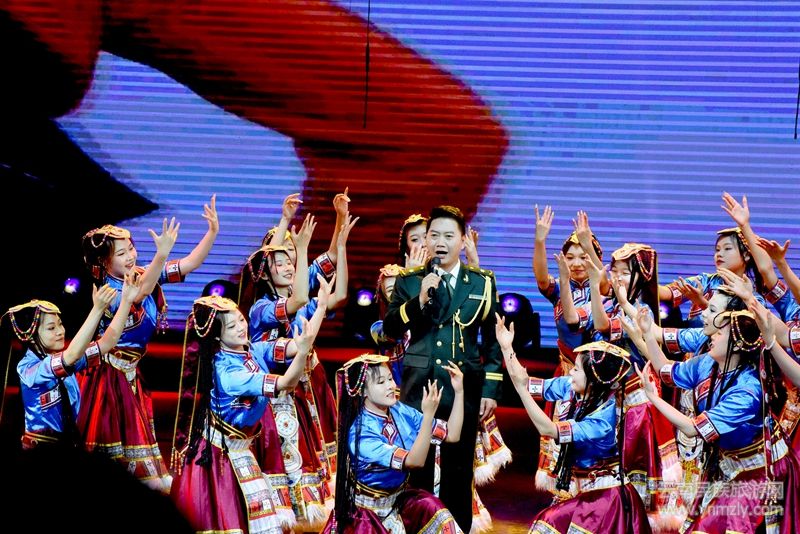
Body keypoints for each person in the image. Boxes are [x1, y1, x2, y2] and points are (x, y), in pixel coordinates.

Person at [77, 195, 219, 491]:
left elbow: (189, 264)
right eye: (121, 253)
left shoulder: (142, 274)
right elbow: (139, 294)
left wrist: (212, 232)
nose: (130, 256)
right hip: (108, 376)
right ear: (104, 261)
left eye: (131, 248)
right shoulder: (108, 291)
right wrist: (161, 255)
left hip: (130, 373)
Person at [383, 205, 502, 532]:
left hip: (462, 389)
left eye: (449, 236)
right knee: (415, 468)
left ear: (463, 240)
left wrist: (490, 388)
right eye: (434, 235)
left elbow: (492, 342)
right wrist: (419, 300)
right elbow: (390, 328)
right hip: (419, 387)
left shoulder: (481, 282)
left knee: (458, 470)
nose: (440, 242)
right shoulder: (410, 281)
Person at [170, 290, 328, 534]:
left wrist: (321, 309)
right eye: (232, 326)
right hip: (219, 459)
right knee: (228, 523)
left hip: (242, 451)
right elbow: (286, 383)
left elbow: (297, 344)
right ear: (217, 336)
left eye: (241, 320)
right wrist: (304, 350)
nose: (242, 327)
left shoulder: (252, 350)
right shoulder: (227, 372)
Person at [635, 309, 800, 533]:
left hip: (759, 469)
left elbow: (692, 429)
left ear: (737, 344)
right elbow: (668, 372)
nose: (711, 335)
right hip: (727, 464)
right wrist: (647, 332)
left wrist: (653, 398)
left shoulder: (747, 391)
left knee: (716, 526)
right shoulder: (707, 363)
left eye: (719, 332)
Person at [497, 314, 651, 533]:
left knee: (548, 523)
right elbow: (525, 383)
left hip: (605, 499)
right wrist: (507, 348)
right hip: (582, 493)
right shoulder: (571, 387)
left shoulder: (603, 420)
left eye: (576, 369)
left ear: (593, 379)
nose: (570, 372)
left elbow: (547, 429)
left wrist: (522, 391)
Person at [323, 354, 464, 534]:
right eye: (381, 382)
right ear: (363, 391)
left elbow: (452, 435)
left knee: (432, 507)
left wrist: (459, 392)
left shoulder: (399, 410)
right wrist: (428, 415)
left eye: (390, 379)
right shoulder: (361, 435)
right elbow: (414, 462)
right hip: (368, 515)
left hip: (398, 501)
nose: (391, 385)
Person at [1, 273, 137, 448]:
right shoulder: (28, 367)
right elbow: (71, 355)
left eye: (60, 324)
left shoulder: (64, 360)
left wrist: (126, 301)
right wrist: (97, 310)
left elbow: (106, 343)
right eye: (51, 328)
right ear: (32, 336)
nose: (60, 331)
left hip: (68, 445)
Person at [532, 206, 607, 490]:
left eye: (583, 256)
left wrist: (588, 244)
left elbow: (603, 279)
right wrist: (540, 240)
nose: (576, 263)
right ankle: (564, 494)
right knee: (562, 436)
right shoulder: (558, 290)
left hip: (600, 379)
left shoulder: (605, 289)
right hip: (568, 375)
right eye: (570, 257)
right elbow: (542, 278)